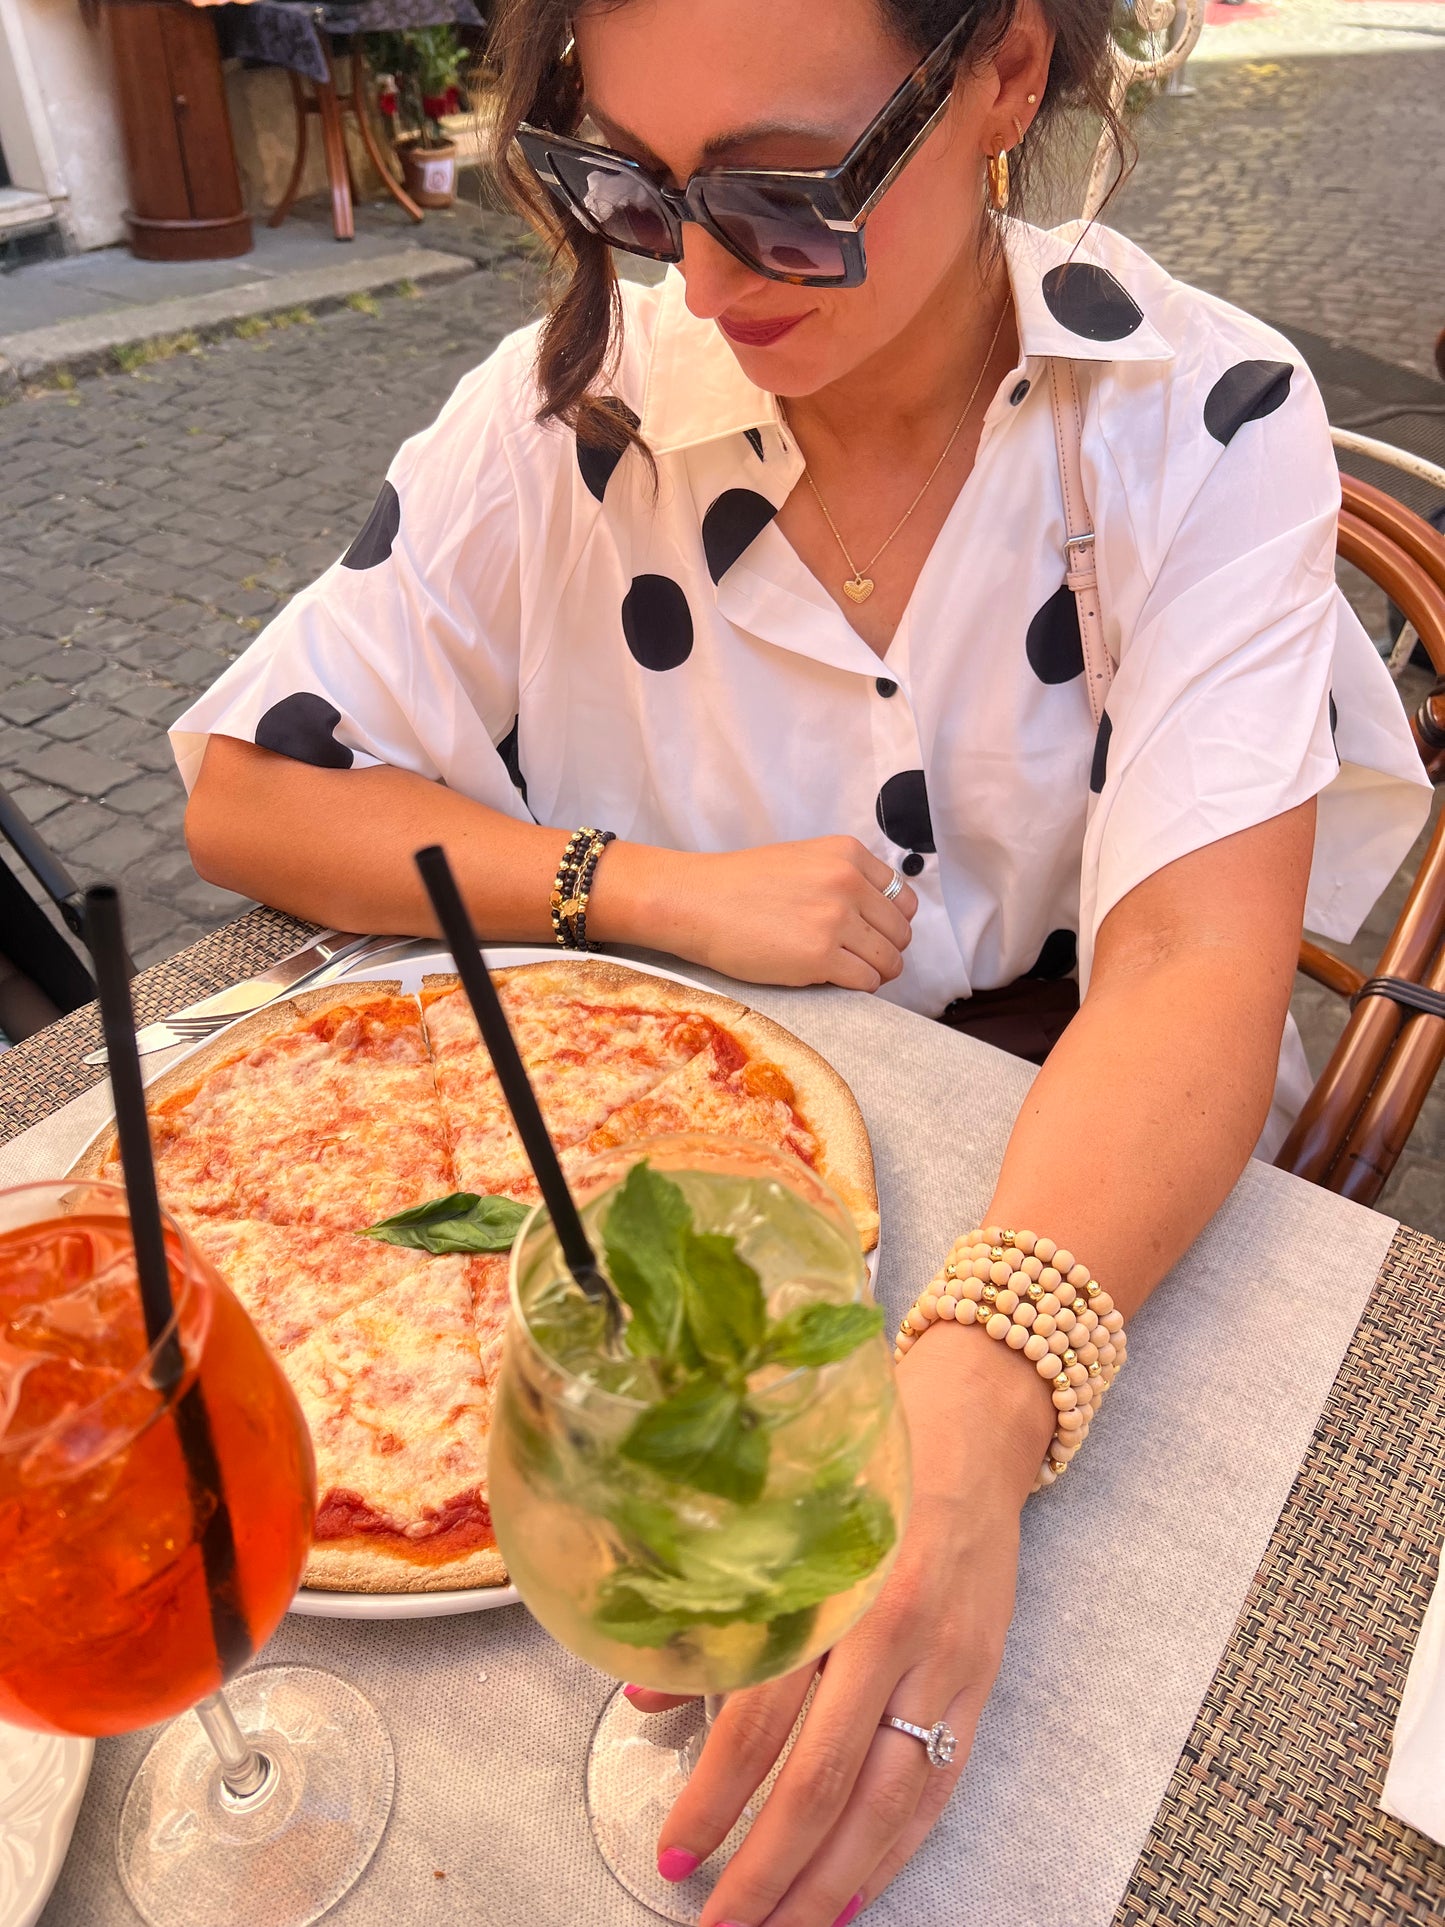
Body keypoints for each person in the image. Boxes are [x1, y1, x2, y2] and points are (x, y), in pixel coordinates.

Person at [175, 1, 1428, 1919]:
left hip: (1049, 1185)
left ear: (1005, 70)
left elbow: (1188, 957)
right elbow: (253, 793)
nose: (695, 273)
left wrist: (992, 1377)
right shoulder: (562, 406)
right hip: (588, 1239)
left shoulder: (1196, 416)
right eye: (628, 183)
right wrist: (649, 886)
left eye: (785, 190)